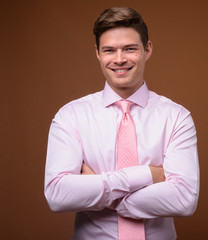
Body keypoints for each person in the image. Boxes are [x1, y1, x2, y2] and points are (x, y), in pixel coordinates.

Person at [44, 7, 199, 240]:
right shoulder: (70, 116)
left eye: (129, 49)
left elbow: (184, 199)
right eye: (109, 50)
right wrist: (146, 175)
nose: (119, 59)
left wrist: (98, 192)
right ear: (97, 53)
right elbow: (57, 195)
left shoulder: (177, 117)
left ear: (147, 49)